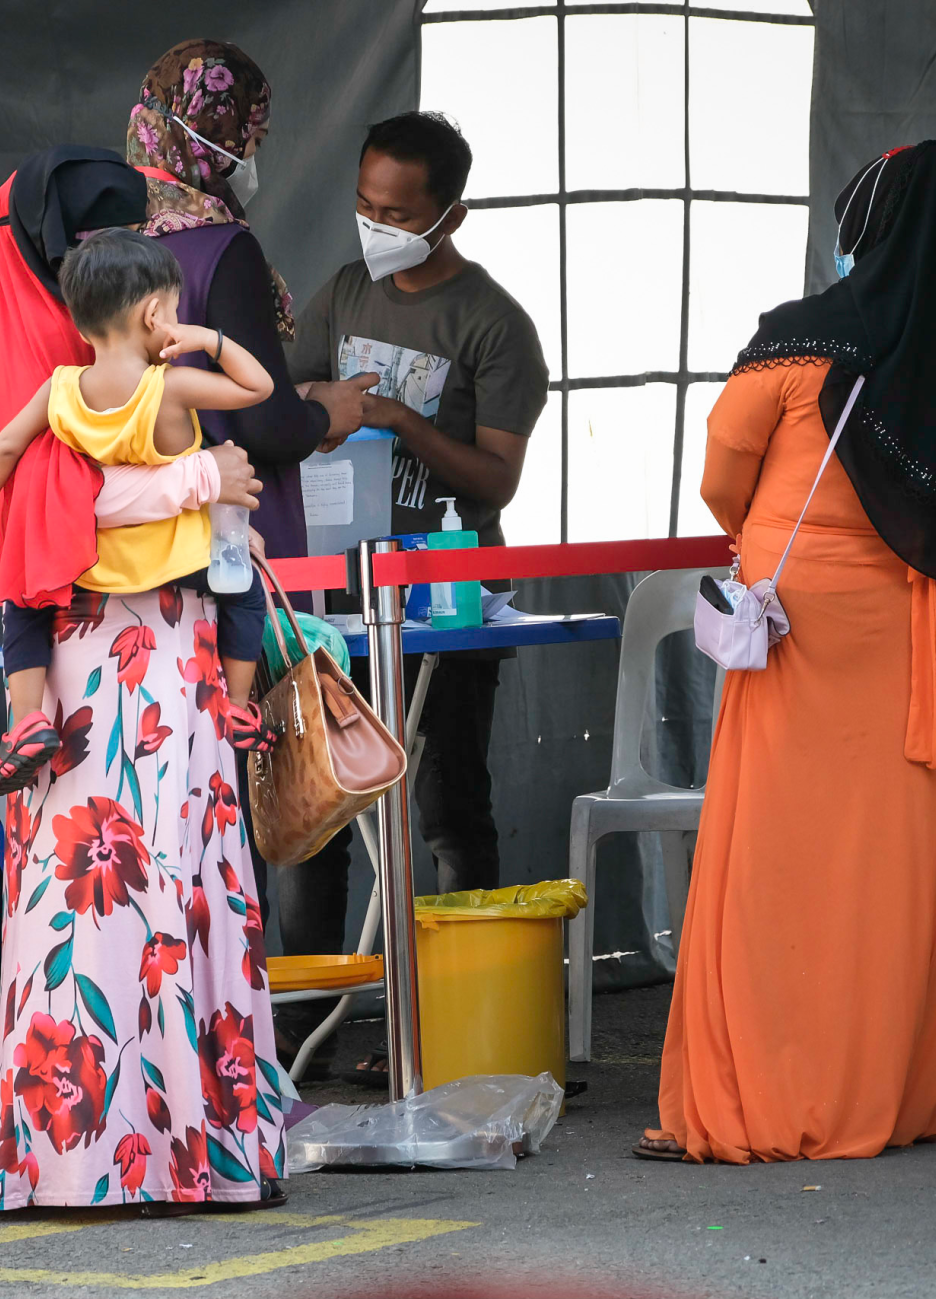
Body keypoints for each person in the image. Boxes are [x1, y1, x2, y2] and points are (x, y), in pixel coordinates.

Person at [638, 142, 936, 1163]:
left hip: (799, 630)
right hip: (922, 638)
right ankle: (888, 1097)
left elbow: (725, 473)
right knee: (892, 866)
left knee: (777, 862)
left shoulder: (802, 338)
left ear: (863, 224)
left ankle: (771, 1098)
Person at [281, 110, 548, 1083]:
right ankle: (299, 1033)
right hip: (336, 602)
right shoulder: (345, 290)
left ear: (452, 215)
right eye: (363, 202)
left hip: (449, 608)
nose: (373, 221)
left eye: (396, 211)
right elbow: (282, 398)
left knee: (445, 810)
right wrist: (322, 410)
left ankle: (446, 1026)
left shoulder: (493, 324)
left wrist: (395, 417)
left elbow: (497, 480)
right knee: (318, 815)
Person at [0, 145, 268, 796]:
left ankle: (26, 717)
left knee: (21, 599)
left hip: (86, 573)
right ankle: (240, 702)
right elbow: (257, 389)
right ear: (157, 314)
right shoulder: (170, 385)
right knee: (243, 587)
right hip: (175, 571)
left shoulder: (61, 385)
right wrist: (210, 346)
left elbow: (9, 452)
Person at [124, 38, 376, 563]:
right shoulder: (224, 250)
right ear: (212, 137)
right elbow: (265, 423)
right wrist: (324, 413)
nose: (252, 160)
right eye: (252, 141)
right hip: (235, 533)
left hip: (146, 536)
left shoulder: (114, 245)